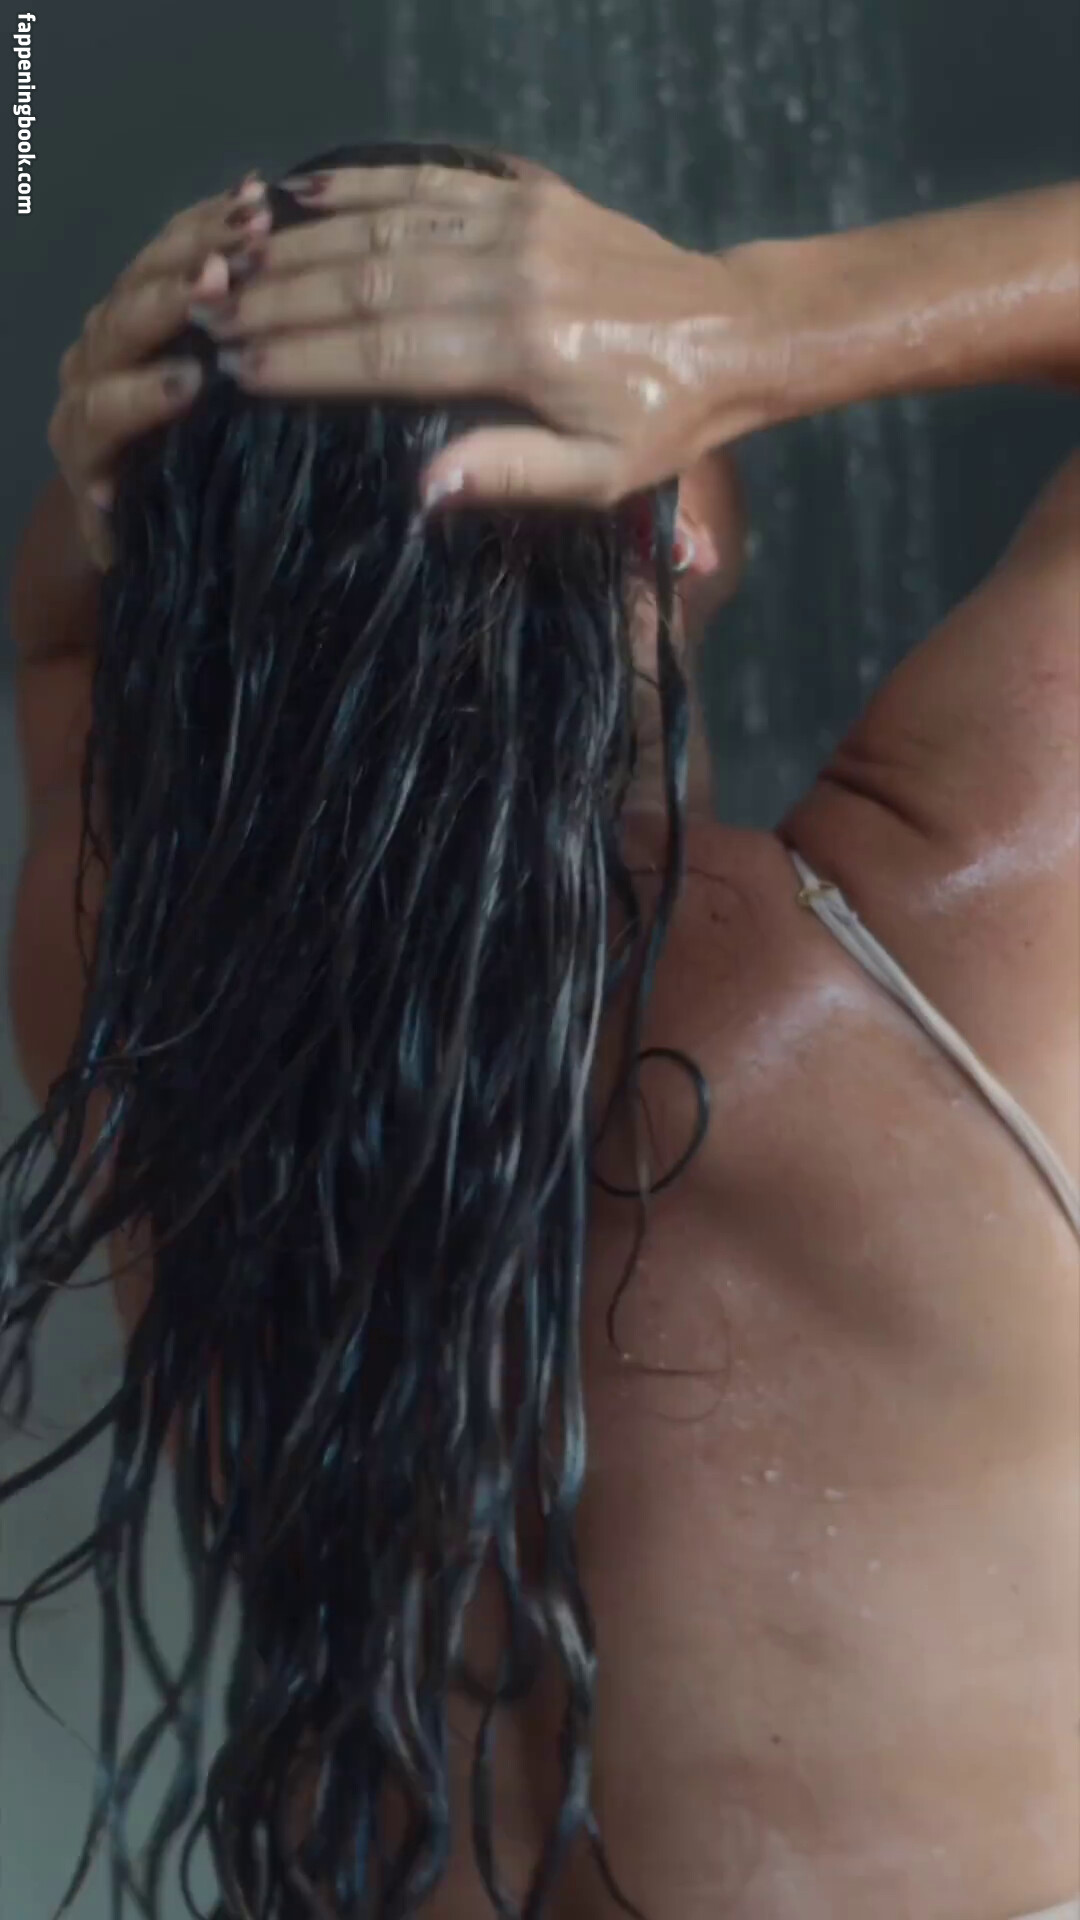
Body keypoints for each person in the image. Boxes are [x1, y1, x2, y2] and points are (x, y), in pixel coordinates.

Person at [4, 141, 1078, 1920]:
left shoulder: (131, 985)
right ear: (671, 515)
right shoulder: (942, 930)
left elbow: (64, 630)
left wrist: (148, 429)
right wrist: (754, 324)